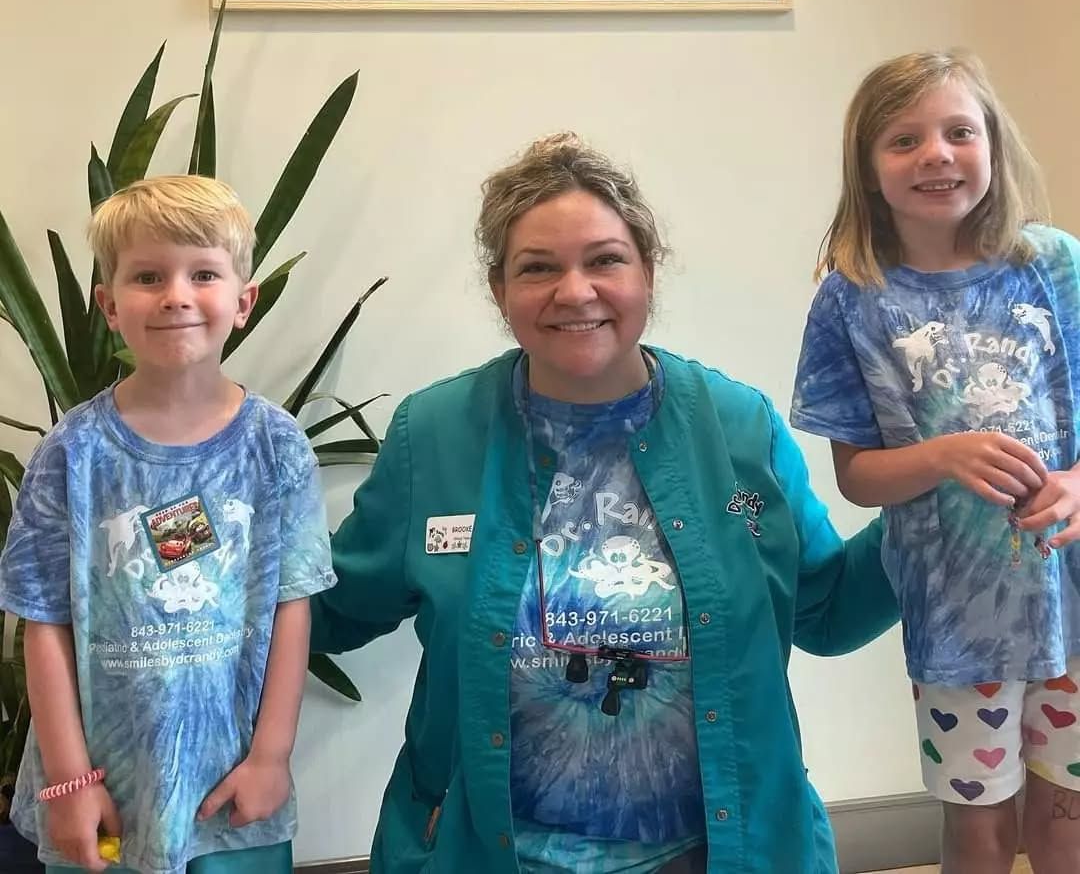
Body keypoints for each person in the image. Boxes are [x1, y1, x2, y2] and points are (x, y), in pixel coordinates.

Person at [310, 132, 898, 874]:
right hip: (488, 852)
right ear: (499, 290)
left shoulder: (739, 425)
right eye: (538, 267)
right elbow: (335, 604)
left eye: (605, 259)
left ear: (648, 272)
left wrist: (932, 505)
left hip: (717, 853)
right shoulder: (433, 435)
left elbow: (826, 608)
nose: (575, 290)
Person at [790, 50, 1080, 874]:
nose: (937, 154)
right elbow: (857, 475)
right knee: (980, 828)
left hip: (1072, 603)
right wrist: (943, 455)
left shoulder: (1055, 264)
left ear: (993, 144)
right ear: (868, 167)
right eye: (905, 139)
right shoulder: (853, 295)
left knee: (1067, 818)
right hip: (958, 620)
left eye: (959, 131)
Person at [0, 176, 335, 874]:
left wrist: (272, 755)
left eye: (203, 273)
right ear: (108, 306)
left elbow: (291, 606)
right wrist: (69, 781)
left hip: (234, 794)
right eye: (147, 275)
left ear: (244, 302)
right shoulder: (73, 452)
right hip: (106, 791)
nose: (176, 294)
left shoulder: (277, 446)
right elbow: (43, 621)